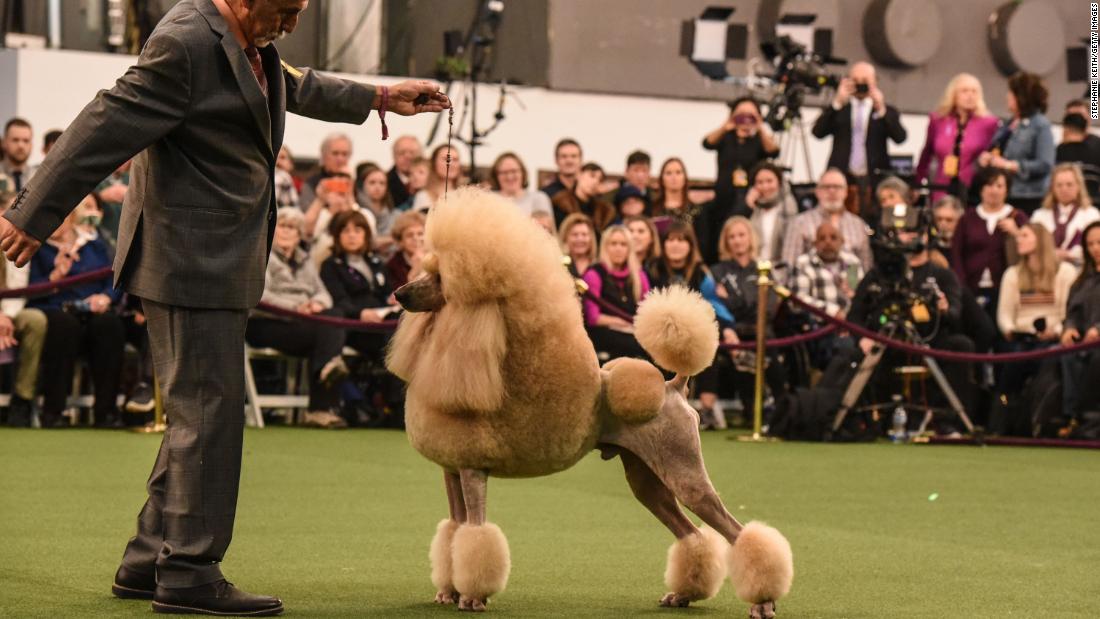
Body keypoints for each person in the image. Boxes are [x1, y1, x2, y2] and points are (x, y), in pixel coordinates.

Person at [0, 0, 448, 613]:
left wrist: (381, 96)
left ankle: (146, 560)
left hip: (215, 257)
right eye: (286, 10)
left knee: (198, 413)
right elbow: (103, 124)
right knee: (208, 415)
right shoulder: (186, 42)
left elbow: (296, 86)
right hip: (187, 259)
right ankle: (188, 572)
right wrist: (32, 214)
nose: (292, 23)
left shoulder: (247, 38)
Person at [28, 197, 126, 429]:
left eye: (60, 219)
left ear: (72, 217)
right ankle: (53, 411)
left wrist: (105, 298)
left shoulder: (93, 243)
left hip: (92, 309)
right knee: (64, 326)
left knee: (109, 325)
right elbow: (26, 290)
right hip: (54, 308)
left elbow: (112, 278)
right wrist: (55, 277)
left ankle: (106, 412)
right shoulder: (36, 248)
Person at [248, 207, 349, 429]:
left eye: (292, 228)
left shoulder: (306, 260)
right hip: (267, 322)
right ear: (272, 230)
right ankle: (321, 407)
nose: (286, 231)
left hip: (304, 322)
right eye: (282, 226)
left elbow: (323, 293)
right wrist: (297, 307)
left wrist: (316, 304)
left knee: (333, 316)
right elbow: (259, 294)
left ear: (299, 234)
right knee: (328, 332)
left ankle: (326, 370)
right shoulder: (260, 255)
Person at [647, 220, 735, 428]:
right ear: (663, 244)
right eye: (671, 240)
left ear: (690, 245)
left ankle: (708, 408)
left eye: (681, 240)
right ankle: (661, 408)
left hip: (693, 331)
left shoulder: (700, 273)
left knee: (708, 348)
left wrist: (728, 326)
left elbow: (712, 303)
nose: (676, 245)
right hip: (660, 330)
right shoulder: (653, 269)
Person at [991, 223, 1077, 435]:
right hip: (1021, 337)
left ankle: (1041, 420)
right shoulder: (1012, 274)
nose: (1018, 240)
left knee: (1047, 362)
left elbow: (1068, 309)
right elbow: (1005, 314)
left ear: (1040, 240)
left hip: (1053, 337)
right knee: (1012, 363)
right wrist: (1010, 329)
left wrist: (1056, 329)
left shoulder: (1065, 272)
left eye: (1025, 236)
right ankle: (1001, 422)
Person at [709, 216, 788, 426]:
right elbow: (717, 308)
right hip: (732, 333)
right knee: (741, 361)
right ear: (726, 242)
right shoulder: (717, 272)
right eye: (732, 236)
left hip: (762, 332)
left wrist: (732, 300)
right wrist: (742, 306)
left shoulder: (763, 268)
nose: (737, 240)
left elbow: (768, 308)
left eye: (741, 235)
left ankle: (782, 416)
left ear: (750, 237)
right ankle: (751, 414)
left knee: (775, 366)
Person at [811, 62, 907, 219]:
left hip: (874, 179)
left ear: (875, 81)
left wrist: (881, 108)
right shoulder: (840, 109)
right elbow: (817, 132)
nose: (860, 84)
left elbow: (900, 138)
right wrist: (837, 102)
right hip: (843, 177)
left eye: (865, 80)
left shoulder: (886, 111)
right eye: (855, 80)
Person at [950, 167, 1029, 312]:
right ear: (981, 188)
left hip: (1007, 289)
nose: (994, 190)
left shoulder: (1017, 216)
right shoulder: (967, 218)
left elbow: (1031, 248)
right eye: (989, 185)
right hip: (971, 288)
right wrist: (961, 285)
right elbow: (956, 253)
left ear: (1007, 190)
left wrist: (1016, 232)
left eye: (999, 186)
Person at [0, 190, 46, 427]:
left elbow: (19, 284)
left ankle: (22, 399)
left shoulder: (18, 237)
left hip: (11, 312)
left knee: (36, 319)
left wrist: (5, 316)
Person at [915, 73, 999, 203]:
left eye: (974, 91)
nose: (970, 95)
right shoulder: (938, 120)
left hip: (972, 188)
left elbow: (993, 153)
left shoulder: (989, 123)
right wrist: (918, 182)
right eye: (964, 91)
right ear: (953, 94)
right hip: (941, 185)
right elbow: (926, 153)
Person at [790, 221, 864, 369]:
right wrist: (833, 312)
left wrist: (849, 315)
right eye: (822, 238)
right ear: (815, 243)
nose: (827, 242)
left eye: (833, 237)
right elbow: (798, 301)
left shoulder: (852, 263)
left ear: (842, 241)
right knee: (847, 347)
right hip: (820, 328)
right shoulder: (803, 263)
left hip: (852, 324)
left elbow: (858, 295)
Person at [978, 72, 1054, 215]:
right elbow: (997, 149)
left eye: (1011, 93)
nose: (1007, 97)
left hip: (1028, 197)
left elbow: (1045, 163)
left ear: (1022, 96)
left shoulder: (1040, 125)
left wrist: (1010, 165)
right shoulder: (1009, 124)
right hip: (1004, 194)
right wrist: (988, 158)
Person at [781, 168, 873, 271]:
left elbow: (865, 267)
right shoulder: (799, 223)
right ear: (817, 191)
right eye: (826, 187)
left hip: (851, 283)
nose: (832, 191)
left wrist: (851, 285)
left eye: (837, 187)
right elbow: (789, 266)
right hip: (810, 283)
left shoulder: (858, 225)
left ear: (846, 192)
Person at [581, 224, 650, 360]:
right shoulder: (594, 274)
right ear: (605, 247)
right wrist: (623, 322)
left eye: (623, 244)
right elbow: (593, 318)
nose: (618, 249)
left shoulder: (638, 274)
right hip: (606, 333)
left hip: (634, 331)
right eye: (613, 244)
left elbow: (648, 309)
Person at [702, 96, 779, 219]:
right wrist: (726, 125)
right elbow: (707, 143)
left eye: (750, 114)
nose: (746, 118)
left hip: (749, 197)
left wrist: (759, 127)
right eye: (741, 114)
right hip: (723, 194)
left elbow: (774, 151)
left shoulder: (759, 139)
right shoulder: (726, 136)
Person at [1061, 221, 1100, 421]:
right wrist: (1069, 328)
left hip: (1096, 345)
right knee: (1062, 355)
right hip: (1082, 343)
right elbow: (1072, 312)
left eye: (1099, 243)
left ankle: (1090, 417)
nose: (1095, 248)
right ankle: (1071, 417)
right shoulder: (1081, 281)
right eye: (1090, 244)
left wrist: (1098, 330)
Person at [1029, 163, 1100, 266]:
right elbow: (1032, 245)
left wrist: (1070, 255)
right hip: (1046, 268)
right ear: (1052, 188)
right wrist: (1052, 254)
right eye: (1059, 185)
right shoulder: (1039, 215)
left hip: (1081, 268)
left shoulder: (1091, 214)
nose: (1064, 189)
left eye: (1069, 184)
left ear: (1079, 186)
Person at [745, 161, 797, 269]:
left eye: (769, 181)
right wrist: (747, 206)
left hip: (781, 268)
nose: (765, 186)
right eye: (760, 182)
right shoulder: (752, 209)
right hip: (754, 268)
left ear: (779, 182)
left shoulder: (789, 206)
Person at [550, 162, 616, 232]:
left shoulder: (604, 211)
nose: (595, 181)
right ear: (579, 175)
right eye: (592, 176)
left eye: (600, 180)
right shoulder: (561, 203)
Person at [298, 132, 353, 208]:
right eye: (335, 153)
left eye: (344, 154)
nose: (340, 159)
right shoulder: (311, 183)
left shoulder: (353, 181)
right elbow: (305, 215)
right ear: (324, 155)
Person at [489, 151, 552, 216]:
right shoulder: (489, 200)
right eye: (504, 172)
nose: (509, 177)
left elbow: (546, 225)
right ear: (496, 175)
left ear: (522, 172)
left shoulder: (539, 198)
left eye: (514, 171)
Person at [411, 144, 461, 212]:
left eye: (455, 160)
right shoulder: (423, 196)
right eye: (446, 159)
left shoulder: (465, 195)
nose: (451, 164)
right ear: (434, 163)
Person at [359, 164, 397, 253]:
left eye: (382, 183)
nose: (377, 187)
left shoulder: (396, 214)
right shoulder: (357, 212)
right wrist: (391, 240)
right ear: (362, 186)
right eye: (372, 182)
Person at [385, 210, 425, 290]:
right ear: (400, 241)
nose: (416, 238)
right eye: (410, 235)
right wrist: (415, 270)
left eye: (420, 234)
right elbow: (401, 296)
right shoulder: (392, 265)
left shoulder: (436, 258)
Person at [558, 213, 597, 278]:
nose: (580, 239)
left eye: (584, 234)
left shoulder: (599, 268)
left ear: (591, 238)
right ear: (565, 238)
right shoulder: (560, 266)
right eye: (575, 234)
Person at [1, 118, 35, 192]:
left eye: (26, 141)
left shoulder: (39, 179)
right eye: (15, 140)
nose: (21, 145)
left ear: (31, 145)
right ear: (4, 142)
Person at [387, 134, 422, 207]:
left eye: (412, 153)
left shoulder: (431, 181)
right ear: (394, 156)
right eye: (402, 153)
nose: (408, 157)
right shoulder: (385, 182)